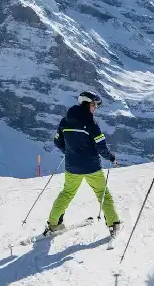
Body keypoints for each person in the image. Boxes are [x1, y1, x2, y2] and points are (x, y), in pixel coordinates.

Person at [46, 91, 121, 237]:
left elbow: (57, 141)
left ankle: (53, 224)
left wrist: (68, 151)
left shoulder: (64, 121)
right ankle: (113, 224)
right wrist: (111, 157)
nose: (95, 108)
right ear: (87, 104)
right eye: (94, 105)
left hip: (71, 166)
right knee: (102, 193)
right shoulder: (91, 123)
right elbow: (101, 147)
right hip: (91, 167)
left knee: (66, 193)